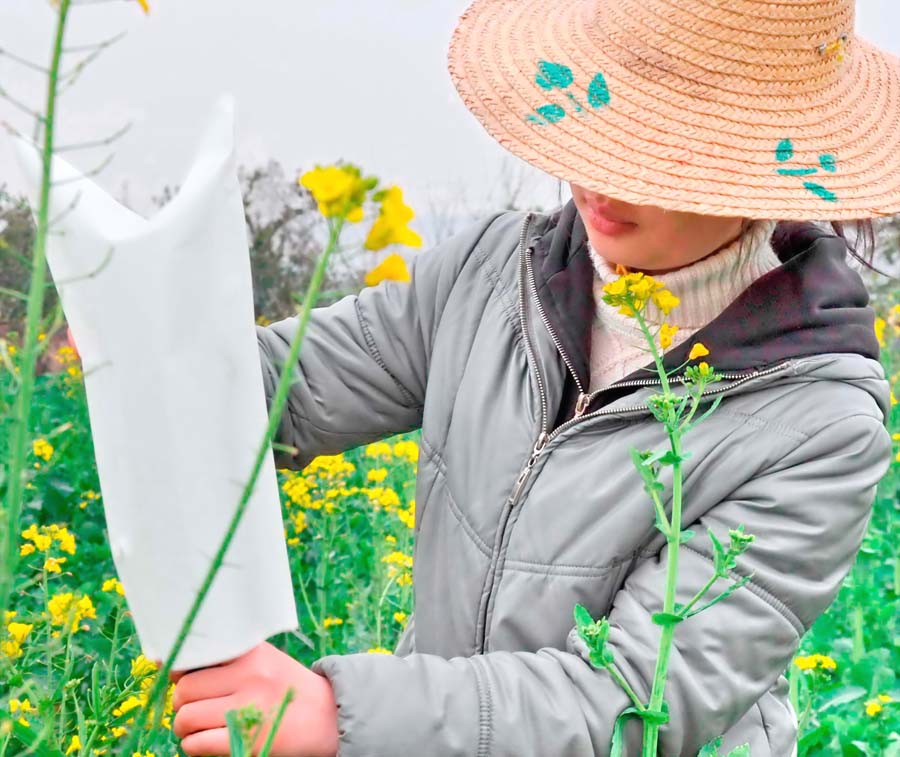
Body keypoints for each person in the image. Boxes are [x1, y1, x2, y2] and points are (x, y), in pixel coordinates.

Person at [167, 0, 900, 755]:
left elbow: (632, 699)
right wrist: (142, 330)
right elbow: (269, 394)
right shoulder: (488, 272)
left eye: (655, 145)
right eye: (600, 114)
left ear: (750, 166)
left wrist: (337, 713)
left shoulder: (820, 426)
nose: (599, 175)